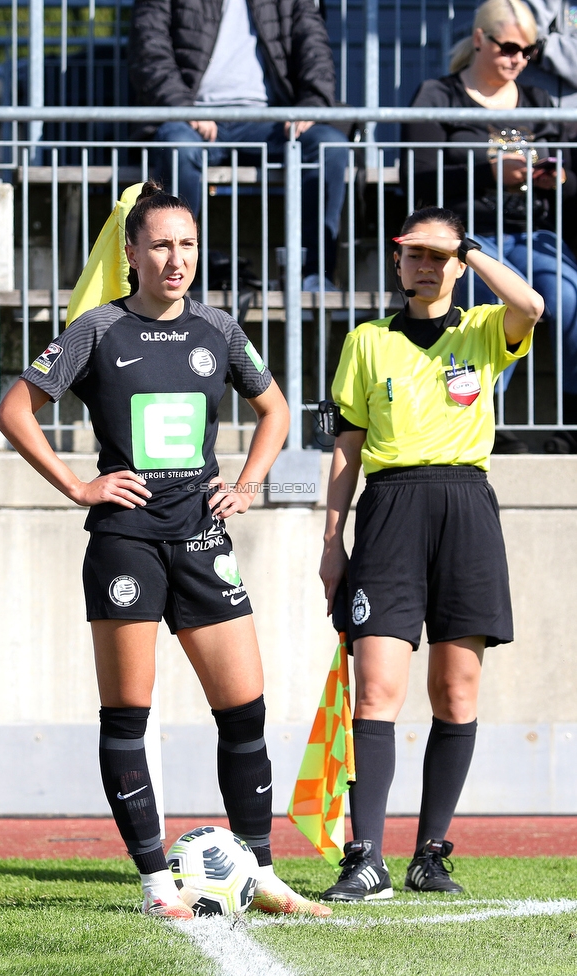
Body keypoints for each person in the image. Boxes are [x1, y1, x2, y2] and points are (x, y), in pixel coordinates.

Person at [0, 180, 331, 921]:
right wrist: (78, 486)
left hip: (204, 540)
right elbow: (13, 409)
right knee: (128, 716)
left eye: (186, 244)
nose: (175, 259)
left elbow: (273, 408)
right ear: (132, 252)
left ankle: (263, 873)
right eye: (160, 245)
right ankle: (155, 883)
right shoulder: (95, 329)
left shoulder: (219, 329)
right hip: (126, 546)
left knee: (244, 712)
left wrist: (246, 483)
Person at [318, 206, 543, 902]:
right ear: (396, 262)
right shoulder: (366, 341)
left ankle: (430, 855)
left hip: (466, 508)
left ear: (456, 262)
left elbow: (531, 304)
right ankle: (365, 858)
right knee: (377, 691)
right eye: (412, 252)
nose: (424, 264)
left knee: (456, 691)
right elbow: (347, 449)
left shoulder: (482, 328)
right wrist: (332, 542)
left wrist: (467, 249)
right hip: (390, 509)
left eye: (436, 255)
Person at [402, 0, 577, 449]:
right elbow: (419, 175)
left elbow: (571, 176)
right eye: (510, 46)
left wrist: (554, 178)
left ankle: (571, 418)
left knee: (566, 294)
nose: (519, 58)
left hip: (532, 230)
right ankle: (484, 419)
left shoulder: (539, 102)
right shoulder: (437, 95)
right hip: (467, 235)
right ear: (480, 38)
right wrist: (490, 171)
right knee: (499, 297)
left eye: (530, 50)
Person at [127, 0, 348, 290]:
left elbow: (313, 46)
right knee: (178, 146)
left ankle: (313, 275)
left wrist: (312, 103)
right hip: (193, 119)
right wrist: (184, 108)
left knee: (328, 147)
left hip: (271, 121)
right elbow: (149, 48)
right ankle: (178, 276)